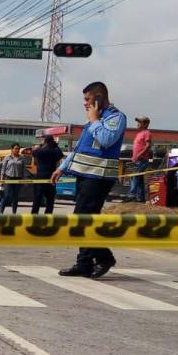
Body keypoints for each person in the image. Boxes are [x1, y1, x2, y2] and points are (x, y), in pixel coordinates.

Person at [53, 81, 127, 279]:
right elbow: (80, 149)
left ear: (99, 98)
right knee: (84, 220)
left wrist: (94, 120)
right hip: (85, 176)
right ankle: (84, 263)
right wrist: (62, 167)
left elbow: (106, 140)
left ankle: (104, 257)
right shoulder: (93, 121)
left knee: (82, 220)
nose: (85, 103)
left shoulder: (116, 118)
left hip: (99, 177)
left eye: (88, 99)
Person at [31, 135, 63, 214]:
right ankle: (48, 218)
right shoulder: (55, 151)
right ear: (52, 142)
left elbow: (33, 152)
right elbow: (60, 154)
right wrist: (56, 145)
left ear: (45, 142)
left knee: (37, 200)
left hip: (39, 178)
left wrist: (40, 146)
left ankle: (33, 218)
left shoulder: (40, 151)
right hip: (51, 178)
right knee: (50, 200)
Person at [129, 116, 153, 202]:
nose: (138, 124)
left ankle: (132, 194)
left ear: (146, 124)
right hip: (137, 159)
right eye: (138, 122)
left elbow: (148, 145)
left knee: (134, 176)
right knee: (138, 179)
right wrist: (134, 156)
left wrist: (139, 155)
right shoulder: (139, 133)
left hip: (142, 159)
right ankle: (140, 197)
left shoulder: (146, 133)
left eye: (140, 122)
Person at [0, 144, 26, 214]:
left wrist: (24, 180)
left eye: (18, 149)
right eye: (16, 148)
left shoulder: (22, 158)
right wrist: (1, 180)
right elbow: (3, 169)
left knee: (15, 197)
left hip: (18, 179)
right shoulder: (7, 157)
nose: (17, 150)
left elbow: (24, 170)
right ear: (12, 149)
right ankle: (1, 213)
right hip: (8, 178)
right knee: (6, 196)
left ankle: (14, 213)